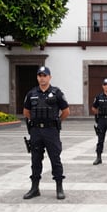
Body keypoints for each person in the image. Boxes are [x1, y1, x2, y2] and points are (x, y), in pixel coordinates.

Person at [23, 66, 70, 200]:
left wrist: (56, 122)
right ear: (37, 77)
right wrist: (36, 123)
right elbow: (26, 112)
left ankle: (59, 187)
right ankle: (34, 188)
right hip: (36, 131)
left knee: (55, 159)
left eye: (45, 75)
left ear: (49, 77)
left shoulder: (57, 93)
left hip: (51, 131)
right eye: (40, 75)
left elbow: (66, 111)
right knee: (35, 160)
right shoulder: (31, 93)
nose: (42, 78)